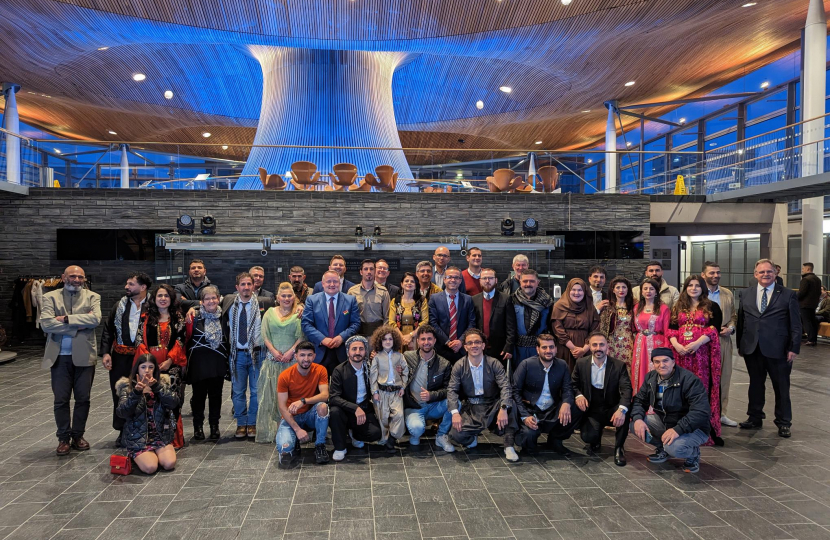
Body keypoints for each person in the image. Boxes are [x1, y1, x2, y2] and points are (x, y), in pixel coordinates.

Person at [39, 265, 101, 456]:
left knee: (83, 399)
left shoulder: (93, 297)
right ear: (63, 277)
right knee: (61, 400)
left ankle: (78, 436)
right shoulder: (50, 297)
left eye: (80, 277)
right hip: (58, 358)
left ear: (84, 279)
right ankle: (63, 438)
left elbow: (96, 320)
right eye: (72, 276)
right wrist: (77, 325)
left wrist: (65, 319)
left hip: (85, 356)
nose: (76, 280)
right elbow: (46, 324)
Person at [737, 259, 801, 438]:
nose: (766, 274)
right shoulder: (746, 293)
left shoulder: (788, 294)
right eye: (762, 272)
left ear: (776, 273)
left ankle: (783, 422)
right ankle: (754, 417)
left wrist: (794, 348)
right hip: (752, 348)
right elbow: (742, 321)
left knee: (781, 387)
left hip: (779, 350)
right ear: (755, 274)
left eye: (769, 271)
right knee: (755, 384)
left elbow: (796, 324)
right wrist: (741, 345)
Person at [631, 348, 711, 473]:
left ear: (673, 362)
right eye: (657, 362)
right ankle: (663, 449)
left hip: (694, 428)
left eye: (665, 361)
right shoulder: (651, 378)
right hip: (667, 422)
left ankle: (693, 454)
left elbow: (701, 412)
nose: (661, 365)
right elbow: (639, 401)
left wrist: (678, 429)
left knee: (674, 448)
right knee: (634, 424)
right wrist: (637, 419)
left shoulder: (689, 380)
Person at [448, 329, 519, 461]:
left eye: (477, 342)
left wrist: (503, 408)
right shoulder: (459, 365)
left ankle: (509, 446)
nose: (474, 345)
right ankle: (471, 439)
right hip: (471, 407)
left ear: (483, 345)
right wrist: (455, 413)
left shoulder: (494, 363)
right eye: (470, 343)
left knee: (511, 405)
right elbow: (452, 390)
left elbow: (505, 386)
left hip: (492, 405)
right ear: (465, 347)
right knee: (456, 435)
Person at [667, 274, 723, 445]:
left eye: (697, 285)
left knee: (701, 389)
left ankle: (704, 430)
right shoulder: (678, 307)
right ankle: (681, 428)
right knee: (681, 389)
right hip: (681, 355)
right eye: (690, 285)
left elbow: (715, 329)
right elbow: (671, 329)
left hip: (702, 356)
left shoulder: (712, 306)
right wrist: (676, 345)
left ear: (703, 288)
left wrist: (698, 343)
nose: (693, 288)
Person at [101, 271, 151, 445]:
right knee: (120, 394)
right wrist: (106, 352)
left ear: (143, 287)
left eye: (131, 284)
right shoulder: (119, 305)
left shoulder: (153, 305)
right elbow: (108, 330)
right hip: (120, 357)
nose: (126, 287)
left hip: (143, 359)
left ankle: (145, 429)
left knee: (145, 392)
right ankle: (122, 430)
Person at [135, 284, 187, 449]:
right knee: (151, 400)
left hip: (171, 366)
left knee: (171, 401)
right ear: (154, 298)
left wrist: (170, 360)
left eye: (166, 296)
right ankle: (153, 436)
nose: (163, 299)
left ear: (171, 299)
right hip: (149, 366)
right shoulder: (145, 317)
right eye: (160, 296)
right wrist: (150, 364)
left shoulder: (178, 317)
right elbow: (139, 341)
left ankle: (173, 438)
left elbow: (181, 340)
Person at [513, 334, 580, 456]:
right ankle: (529, 444)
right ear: (537, 349)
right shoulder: (526, 364)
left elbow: (568, 389)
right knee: (529, 438)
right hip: (531, 410)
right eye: (544, 347)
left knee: (575, 406)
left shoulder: (562, 365)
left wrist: (566, 403)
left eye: (551, 347)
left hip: (552, 410)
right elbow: (515, 391)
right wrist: (524, 416)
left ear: (556, 349)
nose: (548, 351)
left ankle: (555, 440)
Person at [572, 332, 631, 466]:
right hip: (592, 409)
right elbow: (573, 384)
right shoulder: (581, 363)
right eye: (594, 345)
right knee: (588, 437)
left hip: (611, 408)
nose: (598, 348)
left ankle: (619, 448)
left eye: (601, 344)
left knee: (625, 410)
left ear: (607, 346)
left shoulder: (618, 365)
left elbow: (627, 389)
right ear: (590, 347)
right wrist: (579, 395)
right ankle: (596, 438)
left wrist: (621, 409)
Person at [257, 282, 304, 443]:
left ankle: (293, 431)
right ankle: (279, 432)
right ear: (277, 298)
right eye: (283, 296)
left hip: (292, 363)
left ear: (294, 297)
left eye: (289, 296)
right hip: (273, 363)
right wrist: (274, 351)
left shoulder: (299, 313)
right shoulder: (269, 313)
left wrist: (291, 351)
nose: (286, 298)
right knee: (275, 399)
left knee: (293, 398)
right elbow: (265, 335)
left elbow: (301, 336)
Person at [115, 354, 178, 474]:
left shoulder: (162, 383)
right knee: (150, 467)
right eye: (143, 367)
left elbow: (174, 403)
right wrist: (136, 393)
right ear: (137, 369)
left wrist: (157, 387)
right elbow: (122, 412)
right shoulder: (127, 387)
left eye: (151, 367)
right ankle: (136, 454)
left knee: (169, 464)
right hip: (138, 437)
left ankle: (155, 452)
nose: (147, 370)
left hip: (159, 435)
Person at [185, 286, 229, 441]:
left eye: (214, 298)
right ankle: (198, 427)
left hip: (217, 363)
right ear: (201, 301)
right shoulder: (194, 317)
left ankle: (214, 426)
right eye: (207, 299)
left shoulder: (224, 317)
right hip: (198, 364)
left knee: (216, 396)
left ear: (218, 299)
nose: (211, 301)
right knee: (198, 397)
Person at [275, 341, 330, 467]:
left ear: (314, 356)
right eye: (302, 355)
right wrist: (297, 429)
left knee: (323, 407)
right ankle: (293, 442)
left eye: (309, 355)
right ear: (296, 356)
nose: (306, 359)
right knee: (285, 450)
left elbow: (325, 395)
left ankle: (320, 446)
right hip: (291, 418)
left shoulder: (320, 370)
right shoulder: (285, 376)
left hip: (310, 414)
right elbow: (282, 407)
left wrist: (303, 401)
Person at [329, 336, 383, 461]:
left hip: (364, 409)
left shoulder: (370, 369)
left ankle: (355, 435)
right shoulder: (339, 370)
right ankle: (340, 447)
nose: (357, 352)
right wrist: (355, 408)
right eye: (354, 349)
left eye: (361, 349)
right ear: (348, 352)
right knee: (334, 412)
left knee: (375, 433)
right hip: (345, 410)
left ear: (365, 351)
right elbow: (334, 398)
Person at [224, 272, 264, 440]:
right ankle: (241, 423)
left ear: (253, 286)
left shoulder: (264, 303)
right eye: (243, 284)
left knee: (256, 391)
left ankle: (252, 423)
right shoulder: (228, 303)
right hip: (237, 355)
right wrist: (192, 308)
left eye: (249, 284)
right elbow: (205, 303)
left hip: (256, 354)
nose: (246, 287)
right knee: (238, 392)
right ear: (237, 287)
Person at [403, 325, 454, 452]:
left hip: (433, 405)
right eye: (423, 339)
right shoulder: (406, 357)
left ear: (435, 340)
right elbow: (390, 361)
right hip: (414, 406)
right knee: (416, 429)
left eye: (429, 339)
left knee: (455, 404)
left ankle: (441, 435)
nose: (426, 342)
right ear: (418, 341)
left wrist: (432, 395)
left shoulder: (444, 363)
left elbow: (449, 390)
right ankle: (416, 434)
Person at [302, 270, 361, 376]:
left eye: (335, 281)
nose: (332, 284)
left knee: (342, 389)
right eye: (329, 281)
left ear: (340, 283)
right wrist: (322, 339)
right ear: (323, 283)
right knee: (318, 389)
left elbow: (355, 323)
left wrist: (341, 337)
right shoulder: (312, 300)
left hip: (342, 352)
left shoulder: (350, 300)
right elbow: (306, 324)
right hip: (319, 352)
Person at [702, 261, 739, 427]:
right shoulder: (696, 293)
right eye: (711, 273)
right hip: (701, 343)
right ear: (703, 275)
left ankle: (721, 413)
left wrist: (731, 327)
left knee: (723, 377)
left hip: (722, 341)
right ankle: (700, 414)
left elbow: (733, 315)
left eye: (718, 272)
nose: (715, 276)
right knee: (702, 377)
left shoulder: (727, 294)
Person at [369, 325, 410, 453]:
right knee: (383, 416)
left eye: (390, 339)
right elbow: (373, 376)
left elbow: (406, 372)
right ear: (380, 341)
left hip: (396, 392)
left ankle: (392, 438)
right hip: (381, 392)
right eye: (385, 339)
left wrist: (403, 386)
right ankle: (384, 439)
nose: (387, 342)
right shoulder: (377, 357)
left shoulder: (399, 356)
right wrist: (374, 391)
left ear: (395, 341)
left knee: (398, 415)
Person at [428, 266, 476, 363]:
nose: (453, 280)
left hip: (462, 349)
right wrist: (448, 342)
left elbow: (472, 323)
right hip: (441, 348)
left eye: (456, 277)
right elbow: (433, 323)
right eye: (449, 277)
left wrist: (460, 341)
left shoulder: (468, 299)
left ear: (460, 281)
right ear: (444, 280)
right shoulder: (434, 298)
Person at [551, 278, 600, 371]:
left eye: (580, 290)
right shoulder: (559, 306)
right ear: (568, 290)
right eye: (573, 290)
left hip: (586, 348)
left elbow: (595, 330)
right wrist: (573, 348)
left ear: (584, 292)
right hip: (565, 347)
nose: (576, 293)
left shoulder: (590, 308)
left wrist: (584, 350)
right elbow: (557, 329)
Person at [631, 278, 670, 394]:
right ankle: (639, 400)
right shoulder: (636, 307)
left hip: (657, 343)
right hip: (639, 343)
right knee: (638, 370)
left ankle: (654, 402)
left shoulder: (663, 308)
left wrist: (666, 350)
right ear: (641, 291)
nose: (648, 291)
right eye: (645, 289)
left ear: (656, 291)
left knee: (655, 369)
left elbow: (667, 330)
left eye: (651, 289)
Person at [473, 268, 516, 366]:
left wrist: (509, 347)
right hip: (479, 348)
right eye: (484, 278)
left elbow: (511, 326)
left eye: (490, 278)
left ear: (496, 280)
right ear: (480, 281)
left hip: (500, 349)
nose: (487, 281)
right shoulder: (474, 300)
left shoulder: (506, 299)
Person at [512, 269, 554, 363]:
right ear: (520, 282)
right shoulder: (512, 300)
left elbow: (551, 326)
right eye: (525, 281)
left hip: (539, 348)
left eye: (532, 281)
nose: (528, 284)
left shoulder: (547, 302)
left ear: (537, 282)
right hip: (517, 349)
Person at [598, 276, 636, 373]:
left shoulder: (634, 306)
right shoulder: (607, 306)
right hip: (611, 342)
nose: (621, 290)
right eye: (618, 287)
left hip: (628, 342)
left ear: (628, 289)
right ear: (613, 290)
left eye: (624, 287)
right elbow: (602, 327)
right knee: (611, 368)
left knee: (627, 368)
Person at [347, 259, 391, 337]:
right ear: (361, 272)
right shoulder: (352, 292)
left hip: (378, 334)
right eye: (365, 269)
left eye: (371, 269)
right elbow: (347, 314)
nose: (369, 272)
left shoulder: (383, 292)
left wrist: (383, 336)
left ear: (374, 272)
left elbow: (387, 317)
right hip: (358, 334)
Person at [389, 272, 429, 351]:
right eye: (406, 281)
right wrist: (402, 337)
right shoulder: (395, 301)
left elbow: (425, 321)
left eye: (412, 281)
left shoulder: (421, 301)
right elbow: (391, 322)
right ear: (401, 284)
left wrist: (411, 335)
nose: (409, 283)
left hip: (416, 338)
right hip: (399, 338)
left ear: (416, 285)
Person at [798, 262, 822, 347]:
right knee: (812, 321)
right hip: (813, 304)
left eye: (803, 269)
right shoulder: (818, 279)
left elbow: (802, 293)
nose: (802, 270)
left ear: (808, 269)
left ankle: (810, 340)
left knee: (807, 322)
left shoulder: (806, 279)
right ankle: (813, 339)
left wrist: (794, 298)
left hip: (805, 304)